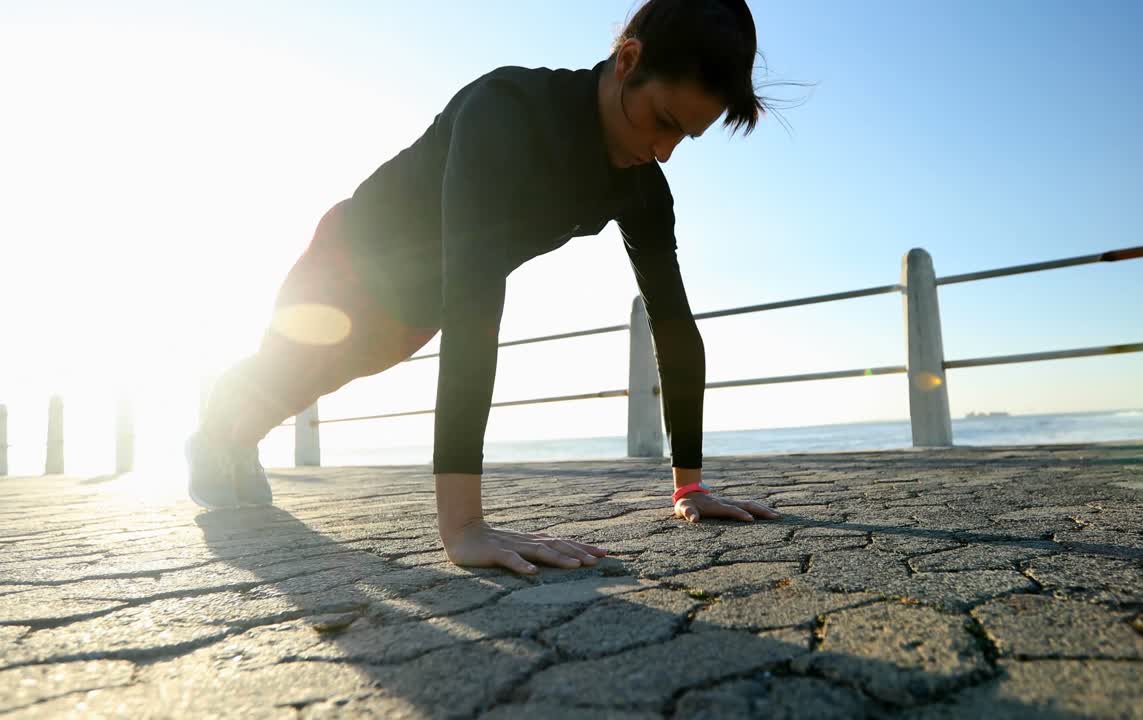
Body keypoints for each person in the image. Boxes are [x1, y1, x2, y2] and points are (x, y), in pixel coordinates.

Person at [187, 0, 782, 574]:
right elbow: (476, 300)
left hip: (418, 305)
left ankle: (238, 437)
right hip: (348, 258)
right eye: (663, 123)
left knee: (329, 376)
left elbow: (673, 326)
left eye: (684, 139)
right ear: (628, 61)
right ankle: (216, 434)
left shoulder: (641, 185)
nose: (663, 151)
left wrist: (691, 486)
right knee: (287, 370)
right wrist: (465, 527)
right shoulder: (506, 109)